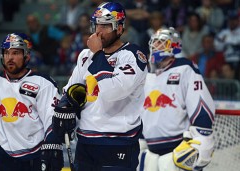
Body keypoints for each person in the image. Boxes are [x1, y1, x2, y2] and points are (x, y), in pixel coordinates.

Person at [52, 2, 148, 170]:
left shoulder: (133, 56)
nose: (98, 31)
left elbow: (113, 91)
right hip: (85, 142)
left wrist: (97, 54)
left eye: (105, 26)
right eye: (97, 25)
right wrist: (64, 105)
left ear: (119, 29)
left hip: (119, 142)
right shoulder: (85, 55)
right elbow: (71, 89)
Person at [0, 33, 64, 171]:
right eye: (6, 53)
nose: (10, 57)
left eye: (16, 53)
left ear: (26, 56)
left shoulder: (43, 83)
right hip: (3, 158)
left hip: (35, 157)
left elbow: (52, 122)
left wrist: (51, 149)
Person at [139, 27, 216, 171]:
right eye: (154, 43)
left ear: (173, 46)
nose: (155, 46)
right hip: (149, 149)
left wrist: (203, 135)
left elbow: (201, 103)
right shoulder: (146, 73)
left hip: (177, 149)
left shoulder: (185, 68)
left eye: (161, 43)